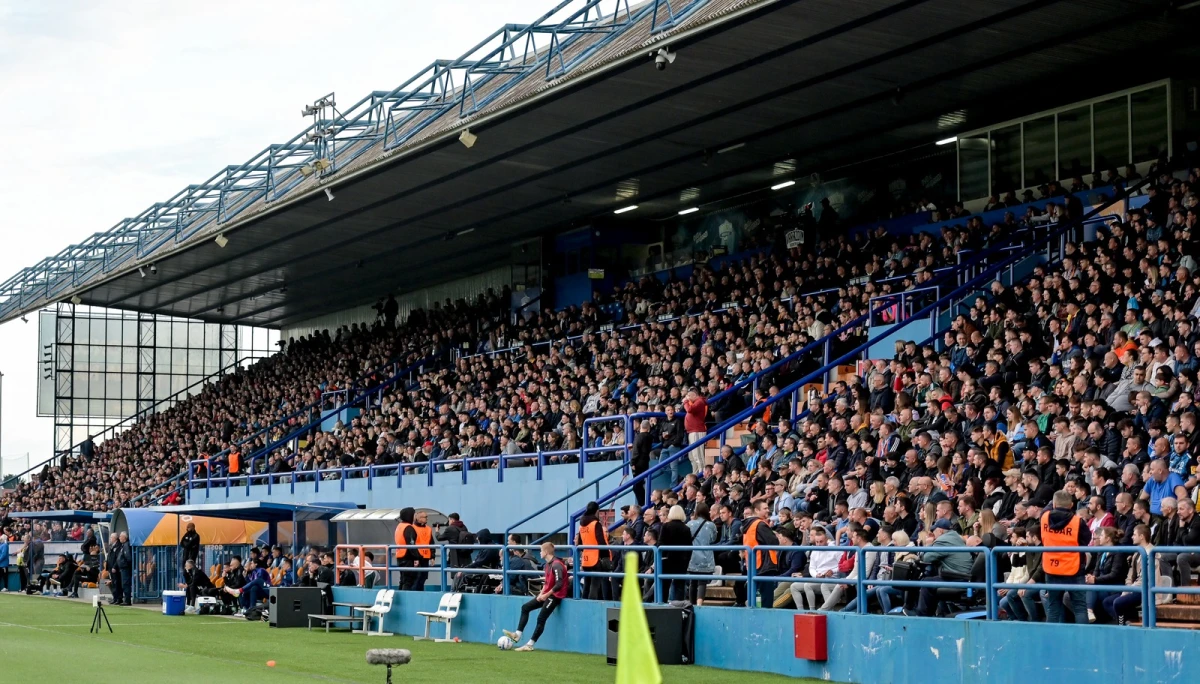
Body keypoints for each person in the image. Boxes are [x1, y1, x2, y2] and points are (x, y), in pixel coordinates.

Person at [503, 542, 568, 652]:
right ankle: (517, 635)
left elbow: (559, 584)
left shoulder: (557, 565)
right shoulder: (547, 565)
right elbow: (547, 583)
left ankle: (530, 644)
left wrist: (546, 595)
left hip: (555, 596)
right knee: (525, 608)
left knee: (541, 618)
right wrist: (541, 594)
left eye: (541, 550)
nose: (540, 552)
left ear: (546, 552)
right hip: (547, 595)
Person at [1041, 490, 1091, 623]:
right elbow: (1086, 540)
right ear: (1071, 505)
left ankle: (1051, 639)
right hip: (1073, 568)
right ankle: (1083, 639)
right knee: (1080, 607)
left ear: (1054, 503)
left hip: (1051, 567)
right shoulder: (1078, 521)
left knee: (1053, 607)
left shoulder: (1044, 517)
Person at [912, 519, 972, 617]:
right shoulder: (956, 537)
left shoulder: (943, 540)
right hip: (963, 576)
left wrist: (928, 544)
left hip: (957, 578)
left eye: (934, 531)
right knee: (932, 580)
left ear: (940, 531)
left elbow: (926, 558)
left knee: (926, 582)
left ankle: (922, 616)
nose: (932, 533)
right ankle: (936, 613)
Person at [742, 500, 780, 609]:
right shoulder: (760, 524)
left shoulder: (747, 525)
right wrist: (774, 534)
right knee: (766, 598)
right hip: (764, 564)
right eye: (765, 508)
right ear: (757, 510)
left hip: (752, 564)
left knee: (753, 596)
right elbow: (774, 542)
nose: (768, 510)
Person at [575, 502, 613, 600]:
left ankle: (583, 604)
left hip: (585, 558)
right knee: (595, 585)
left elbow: (579, 542)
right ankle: (591, 605)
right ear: (597, 511)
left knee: (587, 583)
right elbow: (601, 541)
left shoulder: (581, 525)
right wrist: (606, 556)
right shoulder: (596, 524)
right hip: (596, 558)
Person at [659, 505, 694, 602]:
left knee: (665, 584)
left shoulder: (665, 526)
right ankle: (679, 606)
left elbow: (660, 543)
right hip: (681, 561)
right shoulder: (686, 528)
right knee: (679, 585)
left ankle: (662, 604)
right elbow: (689, 546)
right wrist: (686, 560)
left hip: (667, 559)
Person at [394, 507, 433, 591]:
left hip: (401, 556)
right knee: (409, 581)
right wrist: (417, 557)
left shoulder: (400, 526)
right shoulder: (408, 528)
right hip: (408, 557)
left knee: (403, 580)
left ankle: (401, 599)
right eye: (413, 514)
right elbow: (411, 544)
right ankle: (406, 600)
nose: (414, 516)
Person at [686, 503, 718, 605]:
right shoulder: (711, 525)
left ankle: (692, 603)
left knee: (693, 582)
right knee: (702, 582)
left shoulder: (689, 524)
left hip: (692, 556)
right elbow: (713, 539)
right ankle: (700, 603)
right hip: (706, 557)